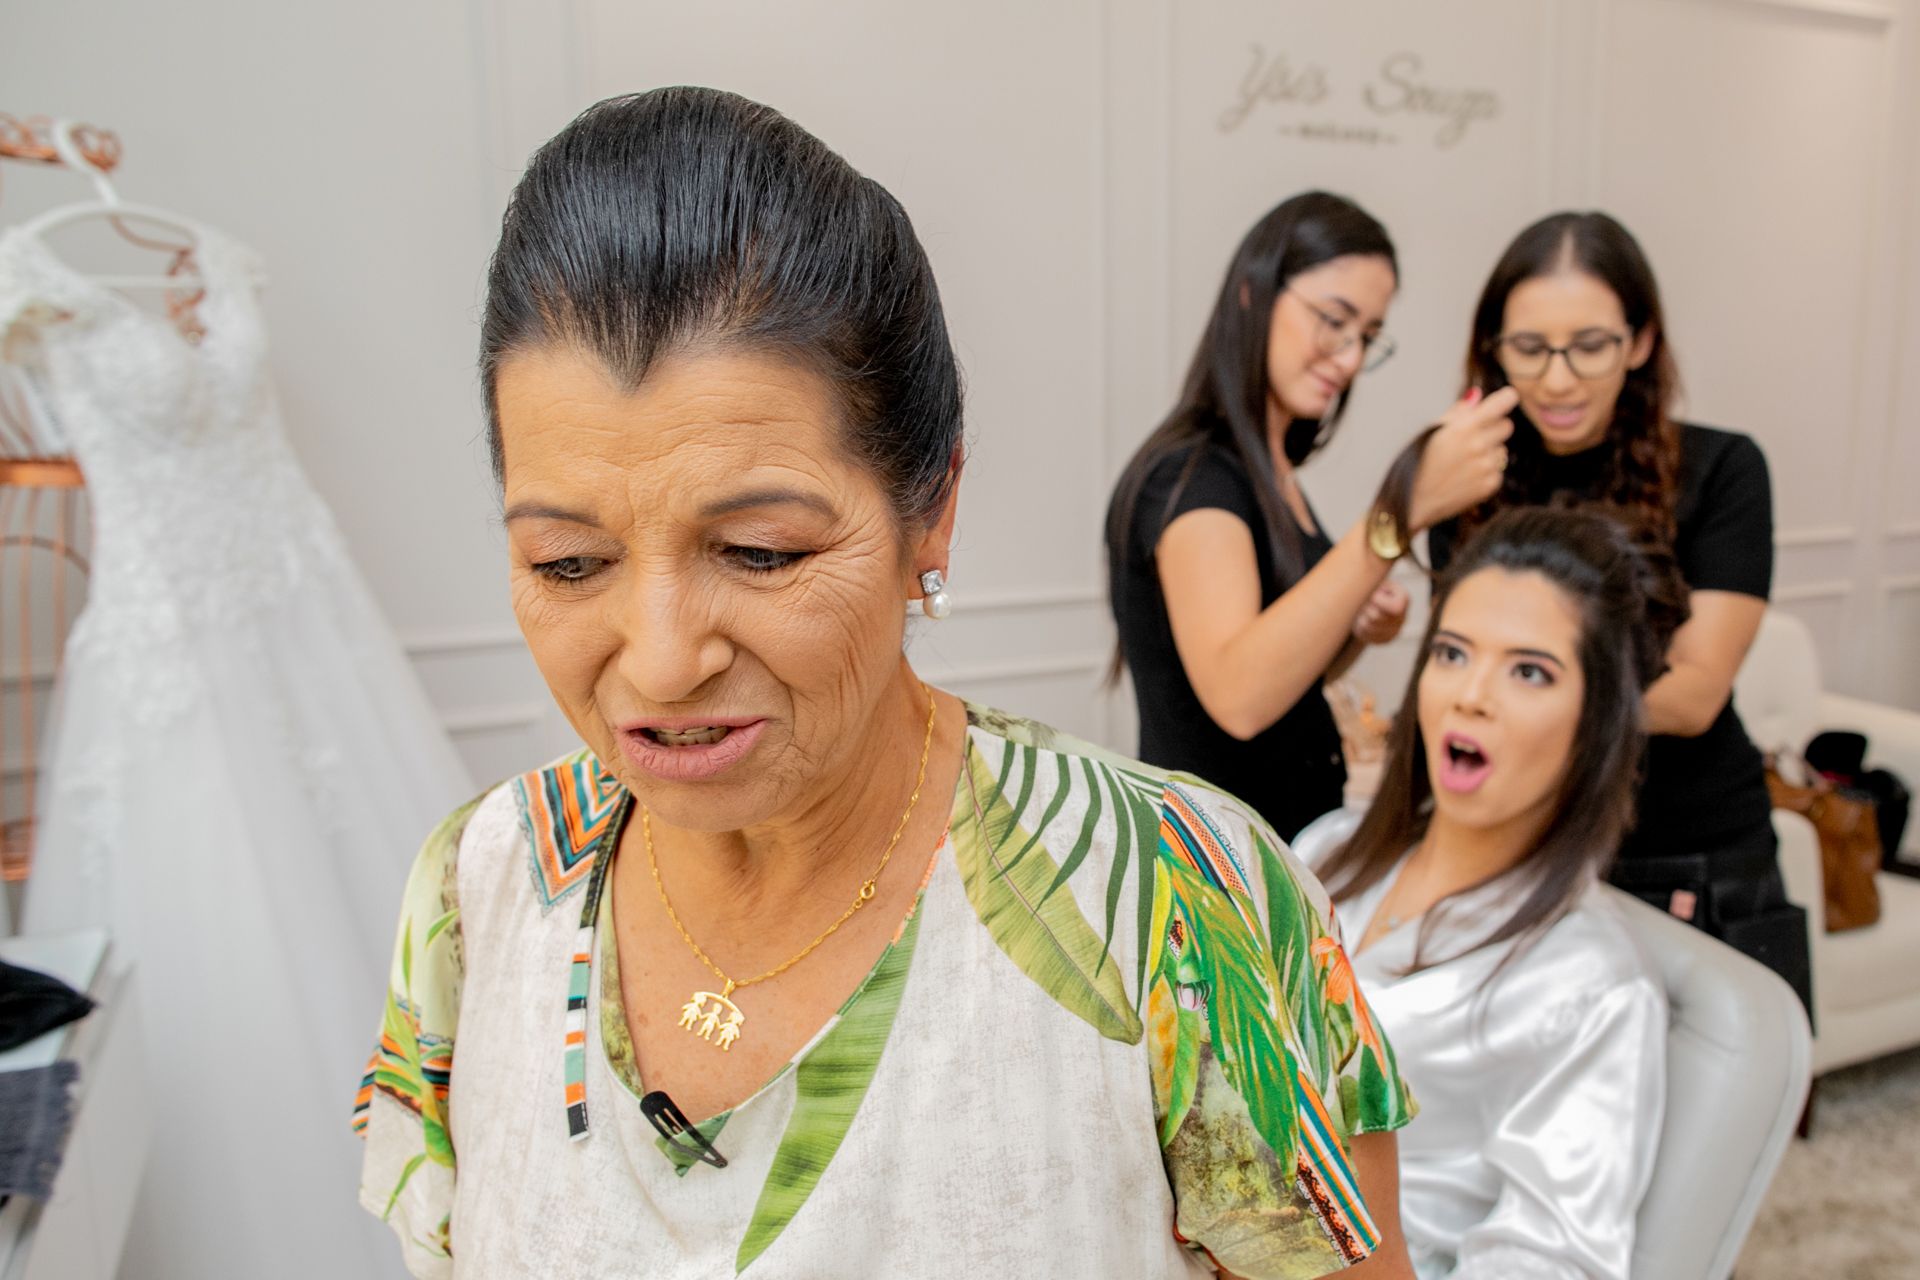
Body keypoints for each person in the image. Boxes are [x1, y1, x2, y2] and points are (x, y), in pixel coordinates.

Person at [353, 88, 1419, 1279]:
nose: (657, 660)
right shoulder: (482, 885)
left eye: (760, 551)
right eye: (568, 562)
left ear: (933, 511)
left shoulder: (1176, 907)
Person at [1427, 212, 1810, 1009]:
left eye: (1590, 344)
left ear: (1639, 341)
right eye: (1528, 348)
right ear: (1491, 349)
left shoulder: (1724, 469)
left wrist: (1528, 699)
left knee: (1727, 1110)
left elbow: (1698, 694)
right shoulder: (1465, 478)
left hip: (1695, 848)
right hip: (1529, 847)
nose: (1557, 379)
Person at [1296, 506, 1682, 1278]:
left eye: (1529, 670)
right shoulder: (1328, 847)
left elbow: (1550, 1262)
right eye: (1451, 652)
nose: (1472, 695)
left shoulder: (1594, 987)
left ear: (1596, 719)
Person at [1106, 192, 1518, 841]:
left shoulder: (1271, 471)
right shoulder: (1191, 479)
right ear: (1253, 293)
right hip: (1217, 877)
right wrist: (1398, 514)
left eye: (1368, 337)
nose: (1350, 358)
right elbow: (1239, 696)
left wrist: (1351, 621)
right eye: (1334, 320)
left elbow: (1286, 671)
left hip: (1284, 848)